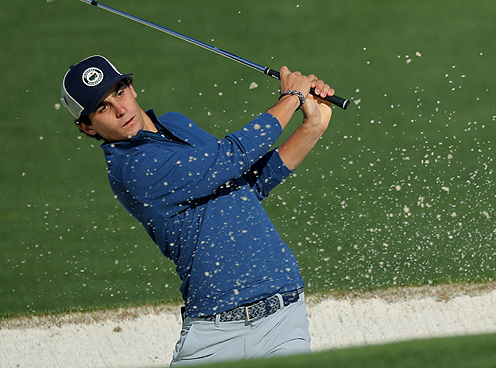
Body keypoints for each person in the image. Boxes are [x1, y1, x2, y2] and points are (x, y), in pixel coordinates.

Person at [60, 55, 335, 365]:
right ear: (87, 127)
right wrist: (291, 98)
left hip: (284, 317)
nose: (120, 109)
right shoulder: (132, 168)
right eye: (103, 108)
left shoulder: (176, 123)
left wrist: (313, 127)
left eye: (119, 93)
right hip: (215, 336)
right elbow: (229, 158)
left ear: (132, 89)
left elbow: (243, 185)